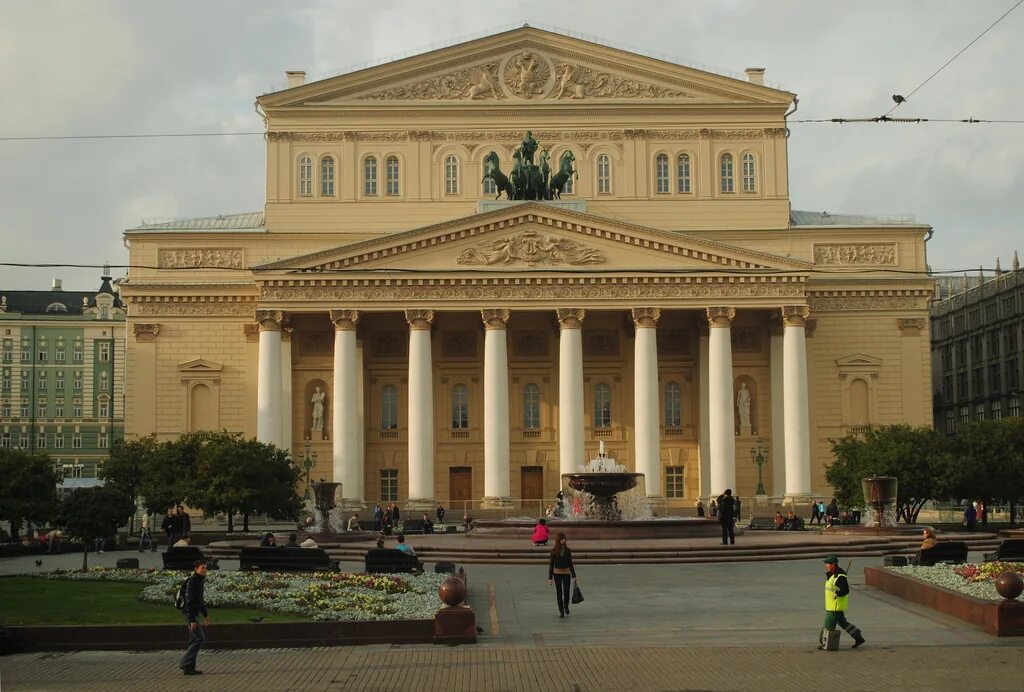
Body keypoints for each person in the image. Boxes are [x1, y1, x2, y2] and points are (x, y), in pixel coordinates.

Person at [819, 555, 865, 650]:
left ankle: (824, 642)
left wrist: (838, 593)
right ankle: (858, 637)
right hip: (832, 605)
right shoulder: (831, 575)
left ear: (833, 564)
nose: (826, 566)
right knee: (843, 623)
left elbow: (845, 590)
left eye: (828, 564)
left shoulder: (840, 576)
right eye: (826, 564)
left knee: (828, 625)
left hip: (835, 606)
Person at [179, 558, 211, 675]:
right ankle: (184, 663)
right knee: (199, 638)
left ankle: (189, 668)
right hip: (189, 613)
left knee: (194, 640)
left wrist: (205, 615)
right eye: (202, 568)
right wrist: (192, 620)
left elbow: (200, 601)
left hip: (194, 612)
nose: (204, 570)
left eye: (205, 568)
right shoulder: (192, 581)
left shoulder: (199, 581)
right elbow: (189, 602)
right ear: (196, 569)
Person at [547, 533, 577, 618]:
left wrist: (574, 575)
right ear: (559, 540)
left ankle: (566, 606)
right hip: (557, 573)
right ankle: (561, 610)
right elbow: (551, 564)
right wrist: (550, 577)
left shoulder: (567, 550)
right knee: (559, 592)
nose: (564, 540)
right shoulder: (553, 551)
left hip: (566, 573)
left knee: (566, 591)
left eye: (564, 539)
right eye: (562, 539)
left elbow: (570, 563)